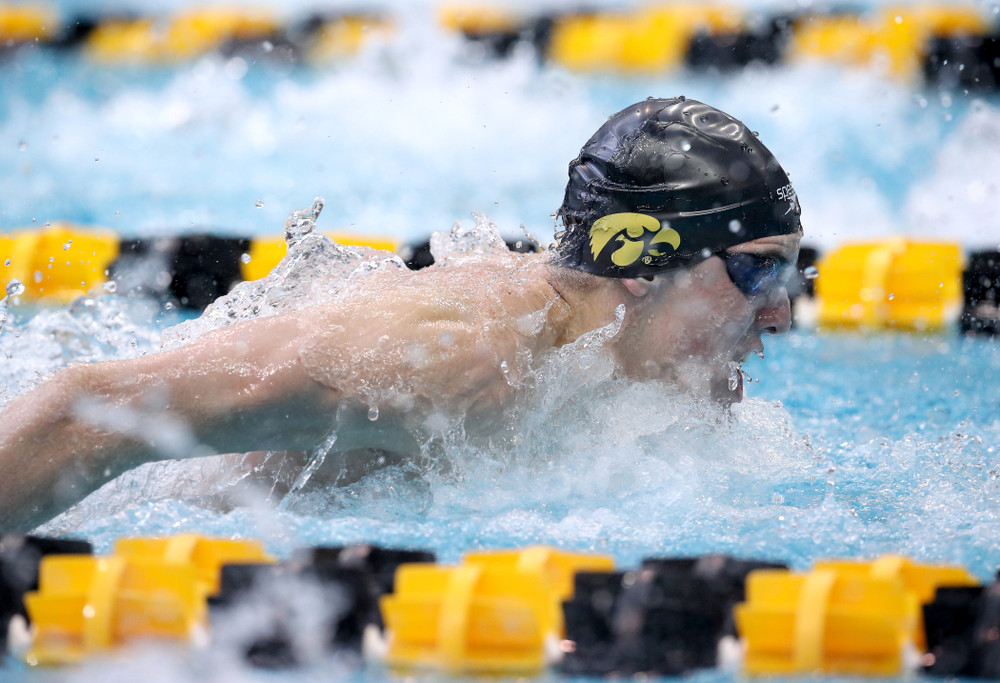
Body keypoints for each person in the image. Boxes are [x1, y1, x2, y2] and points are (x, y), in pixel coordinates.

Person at [0, 97, 802, 531]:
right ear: (635, 262)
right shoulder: (455, 361)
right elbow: (89, 410)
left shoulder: (642, 372)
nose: (781, 317)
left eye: (790, 273)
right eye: (756, 270)